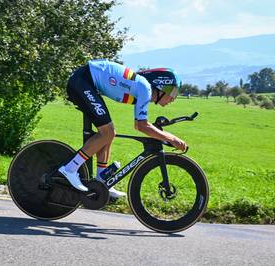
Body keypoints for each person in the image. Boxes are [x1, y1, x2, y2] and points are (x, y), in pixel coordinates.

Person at [59, 59, 187, 198]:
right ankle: (70, 169)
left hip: (86, 82)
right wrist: (172, 138)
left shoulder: (143, 89)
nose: (173, 98)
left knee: (109, 134)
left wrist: (159, 132)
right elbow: (141, 126)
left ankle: (102, 180)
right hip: (83, 80)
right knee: (107, 132)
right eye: (173, 93)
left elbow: (142, 124)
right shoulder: (145, 88)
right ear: (162, 87)